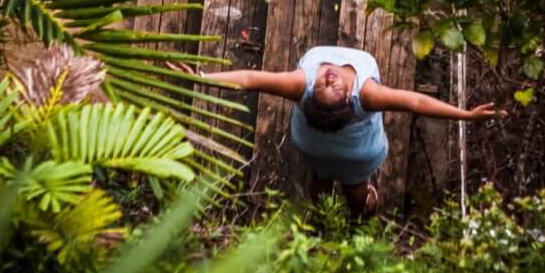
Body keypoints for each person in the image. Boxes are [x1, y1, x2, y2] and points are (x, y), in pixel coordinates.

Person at [172, 45, 503, 217]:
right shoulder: (368, 95)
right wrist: (464, 115)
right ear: (349, 97)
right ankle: (363, 214)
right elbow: (414, 101)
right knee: (355, 187)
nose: (327, 78)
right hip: (356, 153)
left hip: (312, 144)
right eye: (330, 85)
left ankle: (320, 215)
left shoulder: (300, 85)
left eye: (323, 84)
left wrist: (202, 79)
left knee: (319, 177)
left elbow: (249, 79)